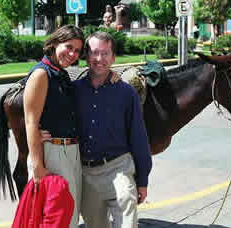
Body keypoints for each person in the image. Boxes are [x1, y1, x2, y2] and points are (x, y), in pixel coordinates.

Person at [74, 31, 152, 228]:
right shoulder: (73, 91)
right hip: (85, 173)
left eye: (105, 53)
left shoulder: (126, 93)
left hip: (118, 168)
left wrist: (142, 180)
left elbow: (139, 138)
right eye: (94, 52)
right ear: (86, 56)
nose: (99, 59)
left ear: (113, 57)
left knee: (126, 212)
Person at [23, 24, 84, 228]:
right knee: (57, 217)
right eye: (68, 47)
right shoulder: (42, 74)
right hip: (54, 154)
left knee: (70, 215)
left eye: (77, 50)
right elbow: (31, 121)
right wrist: (38, 166)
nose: (72, 54)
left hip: (70, 151)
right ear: (54, 43)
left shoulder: (62, 74)